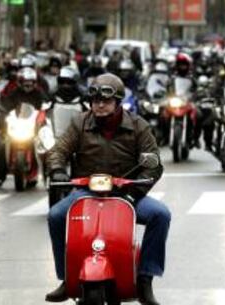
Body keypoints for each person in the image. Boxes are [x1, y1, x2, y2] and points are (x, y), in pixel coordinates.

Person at [45, 73, 171, 305]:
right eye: (95, 101)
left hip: (126, 193)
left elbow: (154, 164)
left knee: (160, 215)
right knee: (55, 216)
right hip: (86, 192)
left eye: (106, 100)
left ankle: (145, 280)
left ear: (118, 102)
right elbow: (59, 150)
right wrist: (57, 170)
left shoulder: (138, 126)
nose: (99, 105)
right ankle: (66, 278)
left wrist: (135, 192)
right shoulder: (79, 123)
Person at [0, 67, 49, 188]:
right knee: (1, 144)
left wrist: (45, 110)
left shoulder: (39, 94)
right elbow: (5, 104)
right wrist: (2, 110)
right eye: (25, 83)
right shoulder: (15, 93)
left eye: (31, 83)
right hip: (17, 126)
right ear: (20, 82)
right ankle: (0, 177)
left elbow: (45, 104)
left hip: (34, 127)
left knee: (46, 146)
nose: (28, 85)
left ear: (34, 83)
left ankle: (47, 176)